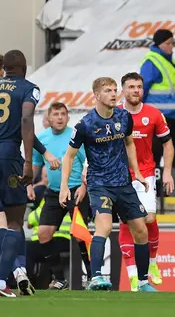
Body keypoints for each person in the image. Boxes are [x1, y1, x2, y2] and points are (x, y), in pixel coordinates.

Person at [60, 77, 155, 292]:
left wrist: (137, 172)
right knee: (103, 226)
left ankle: (142, 282)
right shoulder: (85, 124)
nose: (114, 94)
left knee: (141, 229)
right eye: (108, 91)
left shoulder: (124, 117)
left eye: (115, 90)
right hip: (100, 184)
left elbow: (129, 142)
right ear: (97, 95)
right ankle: (96, 277)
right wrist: (65, 186)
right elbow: (69, 157)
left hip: (123, 183)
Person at [0, 50, 53, 298]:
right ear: (23, 67)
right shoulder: (29, 88)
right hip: (9, 156)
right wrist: (30, 162)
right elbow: (26, 120)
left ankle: (16, 272)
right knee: (14, 221)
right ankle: (2, 280)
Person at [118, 72, 175, 291]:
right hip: (120, 176)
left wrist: (167, 172)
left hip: (146, 173)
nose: (135, 90)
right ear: (123, 90)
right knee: (129, 222)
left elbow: (168, 144)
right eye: (131, 87)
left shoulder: (153, 114)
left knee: (149, 218)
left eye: (139, 87)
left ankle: (152, 263)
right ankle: (133, 276)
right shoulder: (115, 114)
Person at [31, 102, 92, 291]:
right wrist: (29, 184)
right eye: (55, 114)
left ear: (67, 117)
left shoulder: (75, 136)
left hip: (76, 190)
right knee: (43, 233)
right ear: (48, 119)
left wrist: (84, 186)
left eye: (63, 114)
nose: (59, 117)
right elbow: (35, 164)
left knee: (81, 236)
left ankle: (91, 277)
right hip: (54, 191)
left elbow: (87, 163)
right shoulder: (41, 139)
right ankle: (59, 279)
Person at [140, 29, 175, 196]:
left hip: (171, 118)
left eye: (172, 43)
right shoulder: (152, 62)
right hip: (158, 118)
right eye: (168, 43)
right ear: (159, 44)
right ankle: (153, 192)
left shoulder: (167, 60)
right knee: (157, 153)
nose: (171, 47)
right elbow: (142, 89)